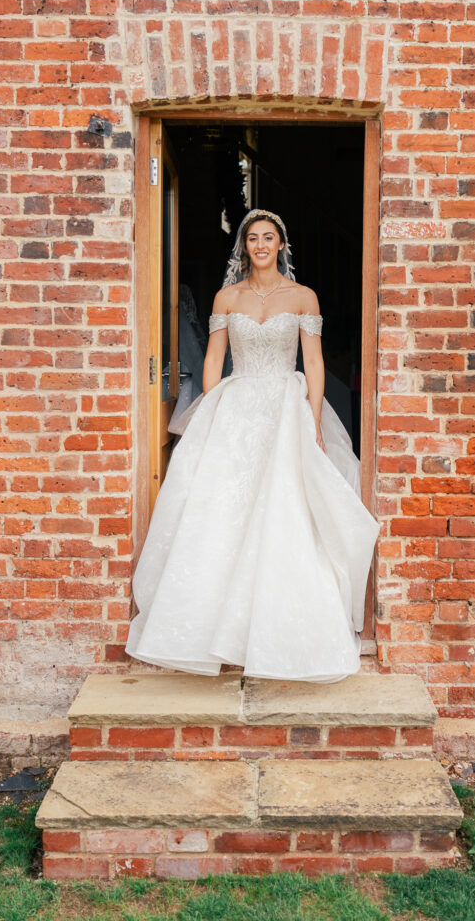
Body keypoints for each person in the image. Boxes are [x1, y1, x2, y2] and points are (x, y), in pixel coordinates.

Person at [125, 208, 380, 683]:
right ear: (244, 246)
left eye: (269, 238)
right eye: (253, 239)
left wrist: (315, 418)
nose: (261, 246)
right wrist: (211, 409)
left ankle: (279, 625)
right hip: (239, 406)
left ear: (281, 245)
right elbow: (215, 360)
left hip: (286, 405)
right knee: (226, 508)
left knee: (282, 507)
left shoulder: (303, 297)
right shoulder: (228, 296)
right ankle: (214, 627)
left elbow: (315, 361)